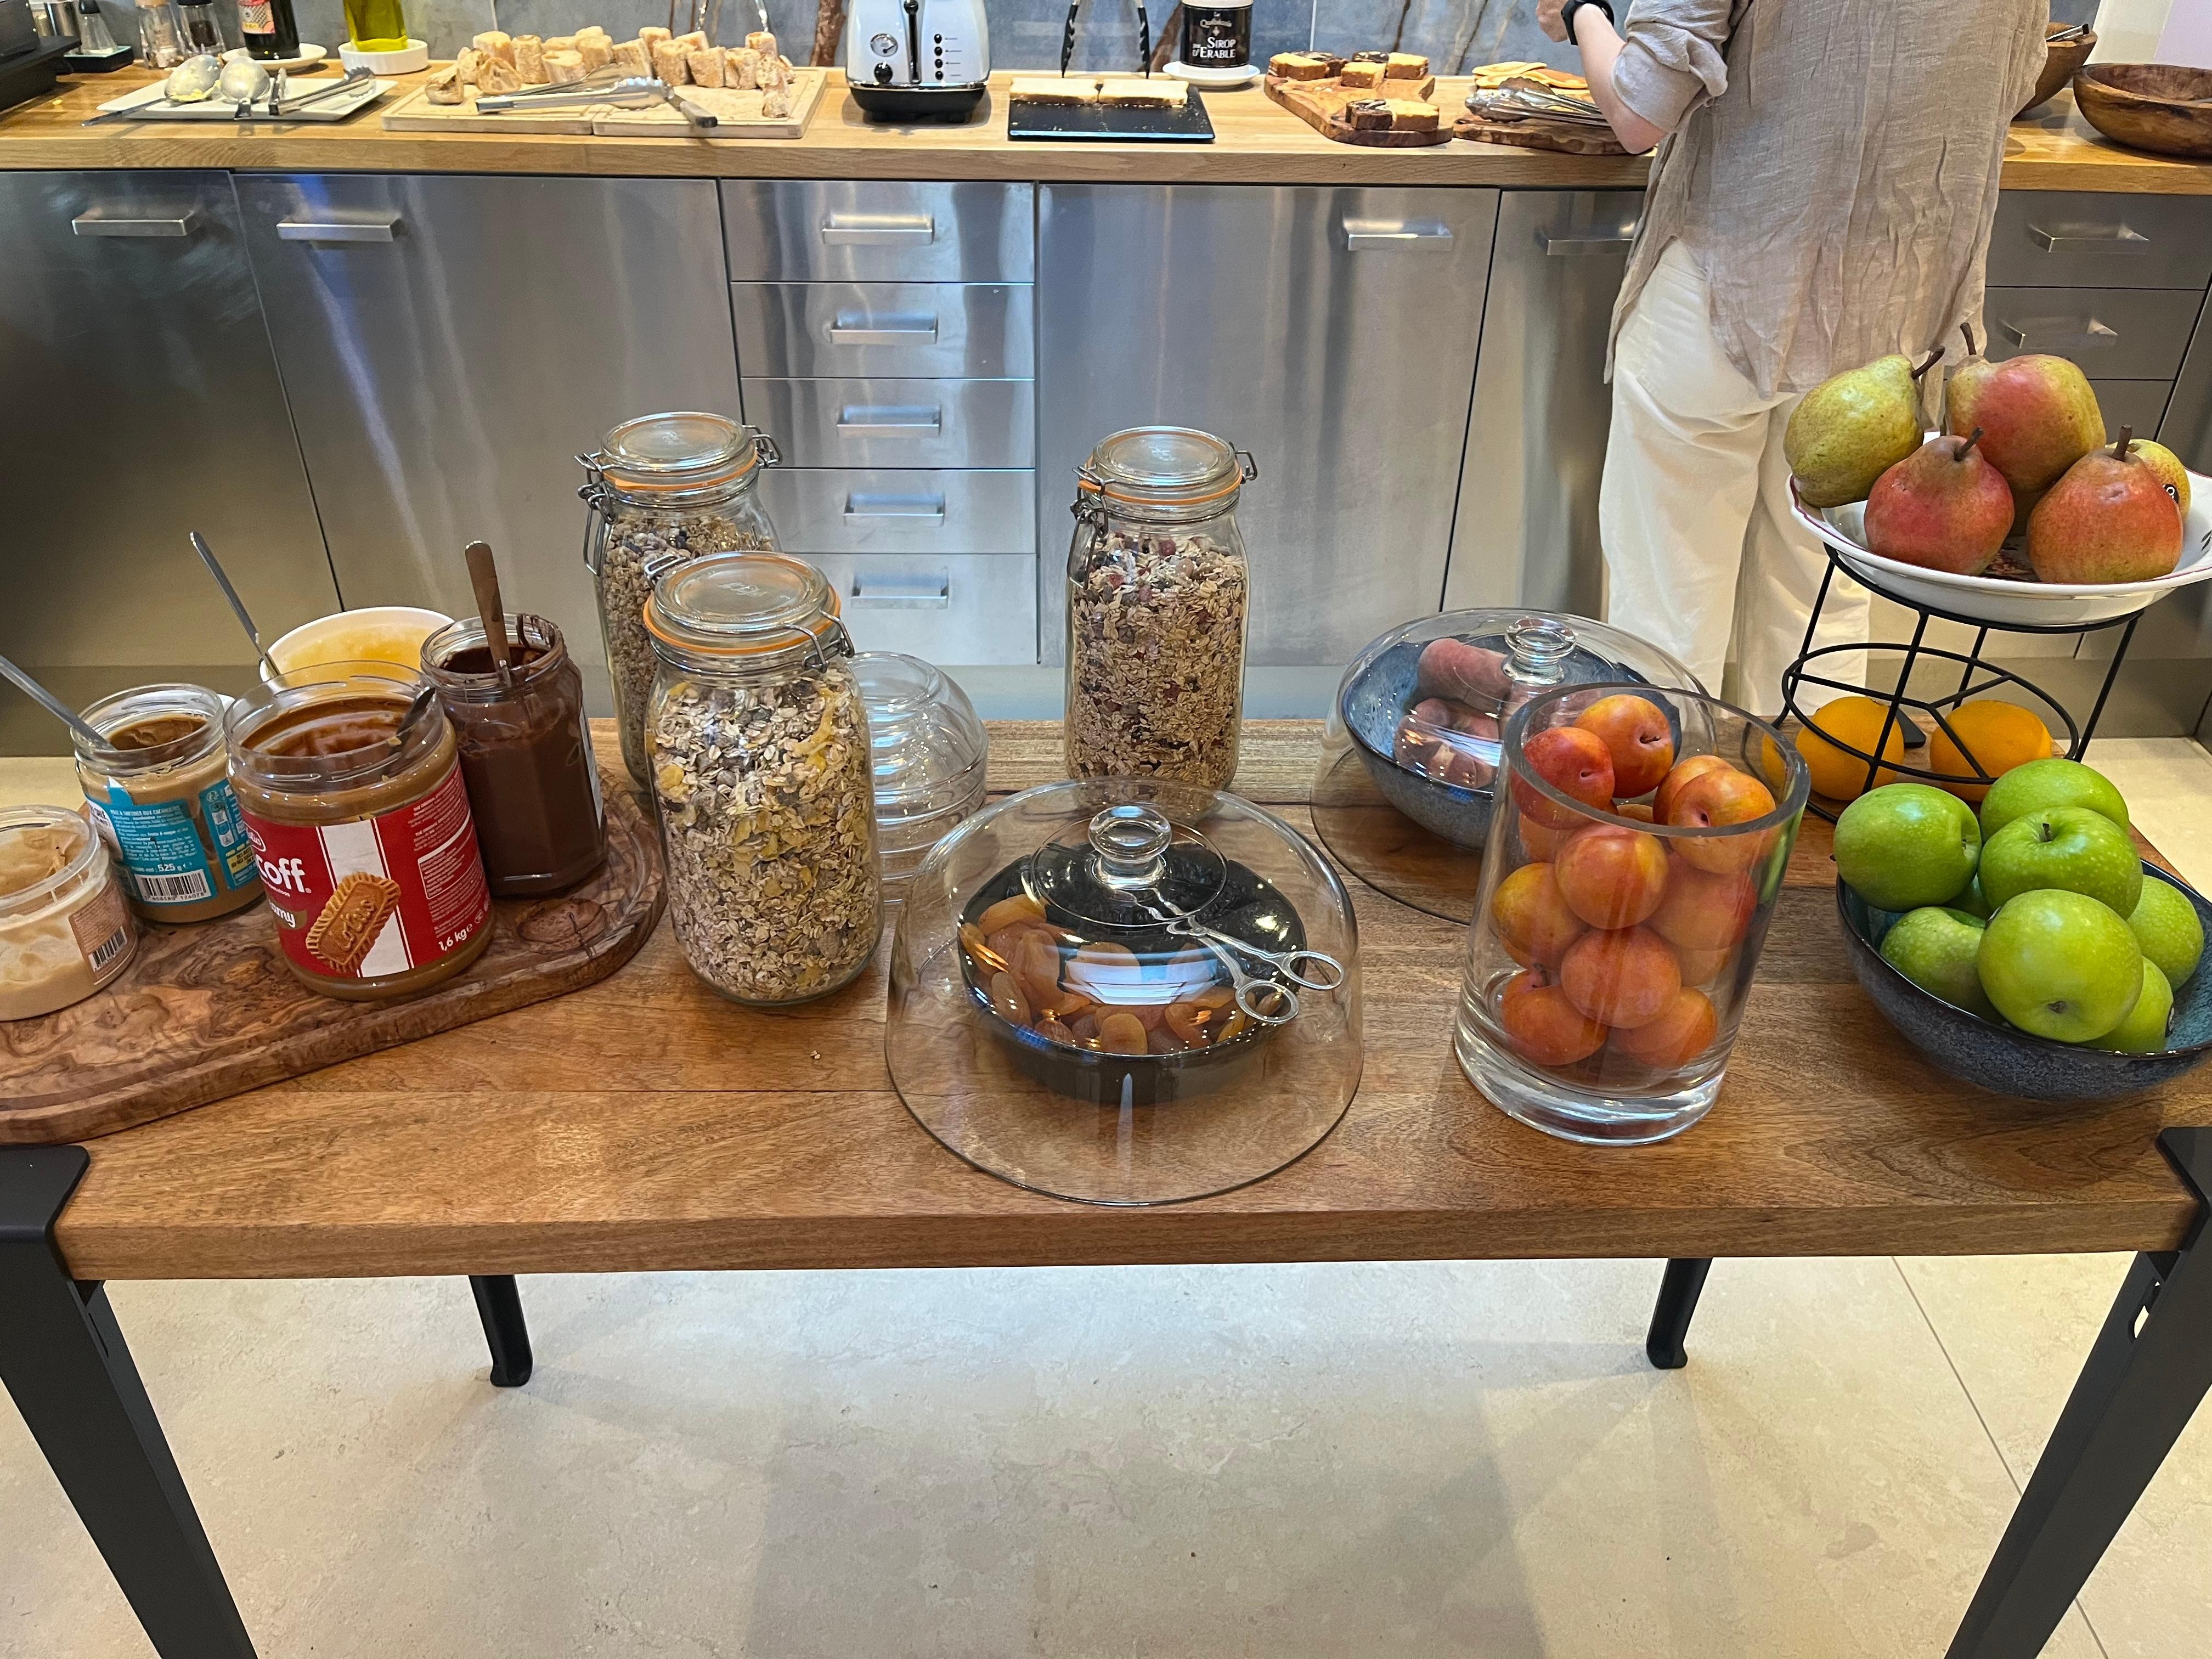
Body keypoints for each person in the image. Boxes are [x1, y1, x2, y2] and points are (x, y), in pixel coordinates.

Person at [1538, 0, 2049, 713]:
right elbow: (2015, 80)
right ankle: (1802, 774)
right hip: (1897, 310)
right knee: (1823, 593)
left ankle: (1671, 771)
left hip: (1729, 288)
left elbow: (1638, 112)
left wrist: (1583, 14)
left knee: (1671, 588)